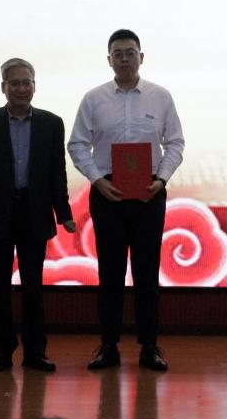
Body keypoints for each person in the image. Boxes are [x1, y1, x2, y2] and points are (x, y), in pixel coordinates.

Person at [68, 29, 184, 372]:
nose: (124, 58)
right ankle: (108, 347)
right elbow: (77, 144)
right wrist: (97, 180)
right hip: (108, 194)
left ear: (141, 57)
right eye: (117, 53)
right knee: (110, 273)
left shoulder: (161, 97)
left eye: (130, 52)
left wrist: (161, 179)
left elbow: (175, 142)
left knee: (147, 274)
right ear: (109, 60)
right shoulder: (94, 99)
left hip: (149, 194)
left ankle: (150, 347)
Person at [0, 58, 76, 373]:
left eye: (27, 82)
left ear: (34, 86)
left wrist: (64, 213)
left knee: (34, 287)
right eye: (15, 83)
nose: (21, 88)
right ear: (3, 87)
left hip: (34, 212)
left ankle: (35, 353)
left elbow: (57, 173)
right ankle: (1, 352)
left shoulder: (51, 123)